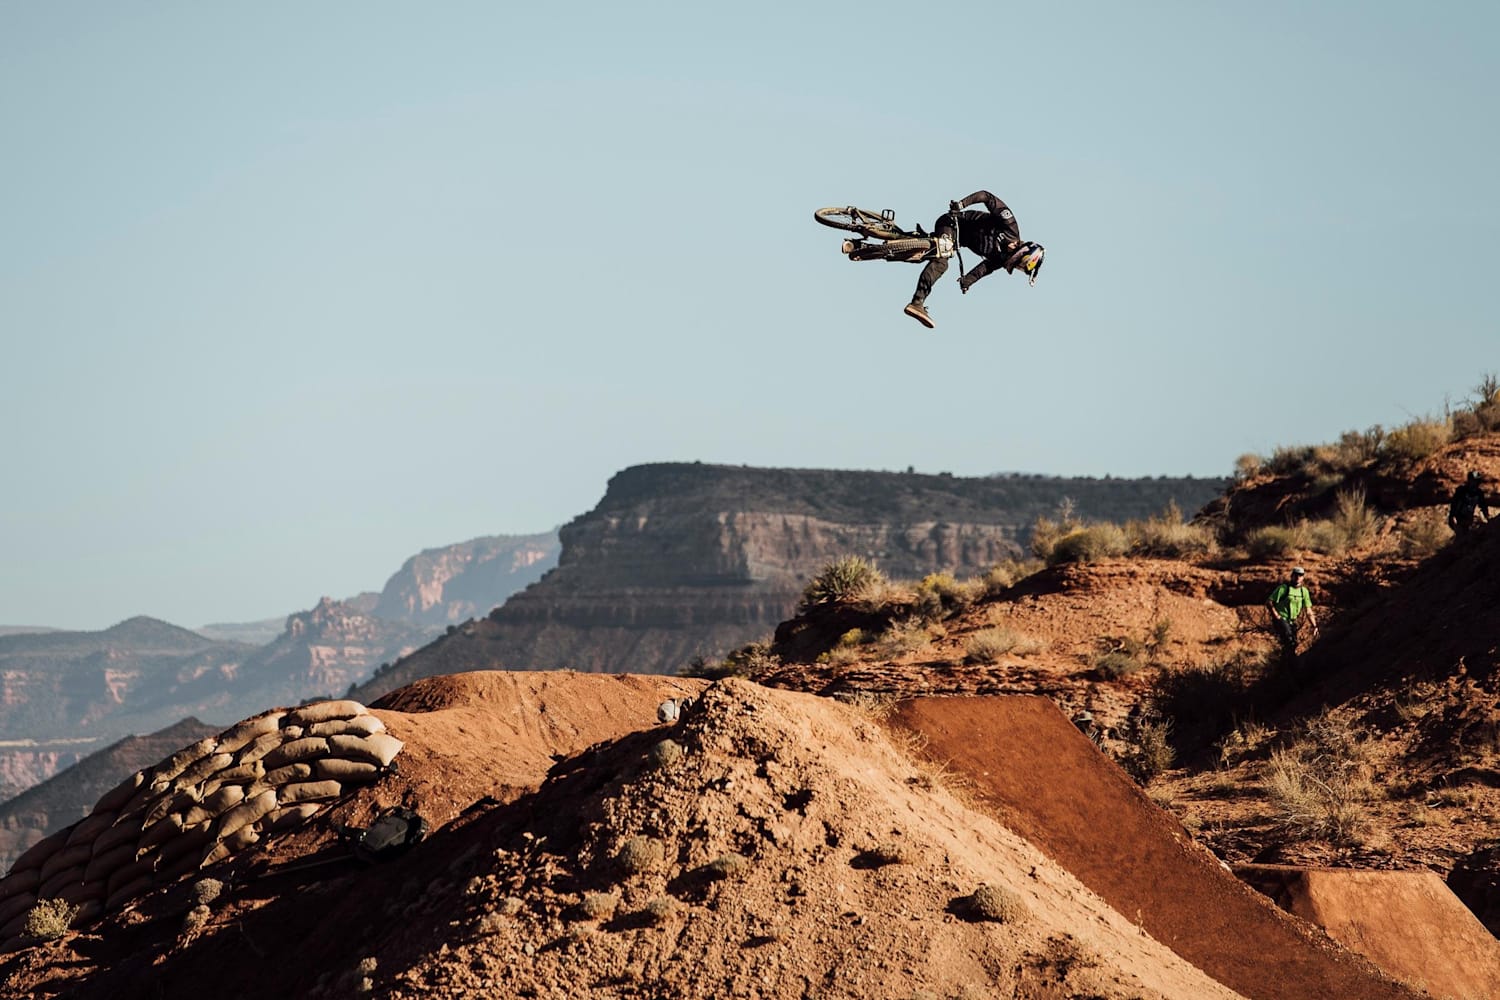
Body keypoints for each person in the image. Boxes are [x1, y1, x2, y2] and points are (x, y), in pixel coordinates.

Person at [903, 190, 1045, 329]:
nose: (1017, 267)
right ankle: (917, 303)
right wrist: (961, 204)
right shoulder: (1010, 225)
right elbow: (986, 196)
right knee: (941, 263)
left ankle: (891, 245)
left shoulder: (1002, 258)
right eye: (1021, 265)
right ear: (1024, 254)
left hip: (955, 241)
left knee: (924, 255)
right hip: (951, 223)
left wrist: (967, 281)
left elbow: (984, 269)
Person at [1266, 566, 1319, 660]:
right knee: (1290, 641)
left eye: (1300, 575)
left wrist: (1314, 626)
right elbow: (1269, 602)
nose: (1298, 577)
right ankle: (1291, 665)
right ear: (1292, 576)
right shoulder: (1284, 588)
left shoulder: (1304, 592)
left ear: (1303, 577)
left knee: (1292, 645)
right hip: (1281, 619)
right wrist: (1277, 616)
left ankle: (1284, 666)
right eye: (1296, 575)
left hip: (1292, 621)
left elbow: (1308, 610)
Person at [1448, 470, 1491, 535]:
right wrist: (1452, 517)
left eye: (1477, 481)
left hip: (1469, 518)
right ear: (1469, 480)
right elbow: (1454, 505)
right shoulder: (1461, 491)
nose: (1475, 483)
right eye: (1474, 481)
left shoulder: (1479, 493)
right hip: (1459, 518)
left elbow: (1483, 506)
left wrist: (1487, 517)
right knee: (1461, 536)